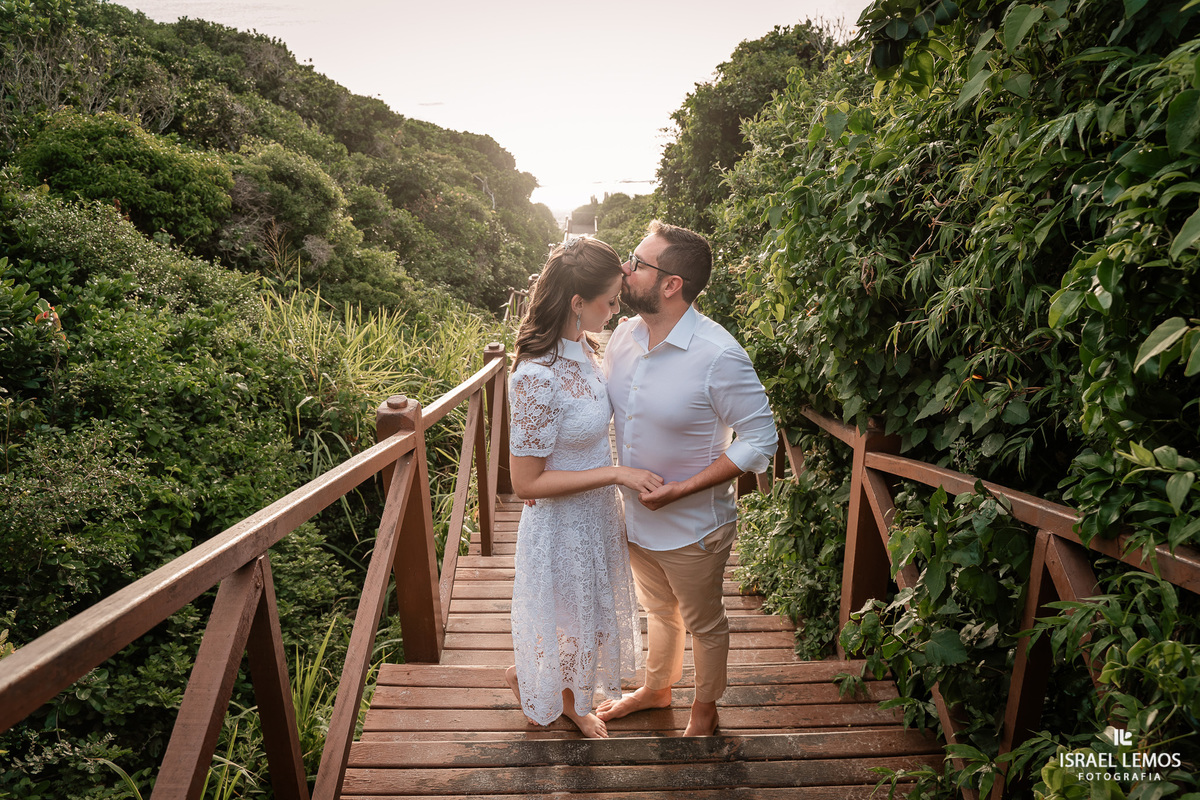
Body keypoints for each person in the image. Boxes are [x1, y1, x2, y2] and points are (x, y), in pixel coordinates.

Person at [597, 220, 778, 737]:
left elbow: (760, 438)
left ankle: (705, 709)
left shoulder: (719, 355)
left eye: (637, 262)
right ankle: (657, 690)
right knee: (659, 610)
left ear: (671, 283)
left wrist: (682, 489)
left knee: (704, 623)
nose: (625, 270)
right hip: (634, 519)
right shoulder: (625, 335)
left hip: (695, 527)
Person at [504, 236, 662, 738]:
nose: (617, 310)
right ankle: (566, 702)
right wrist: (617, 473)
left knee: (585, 613)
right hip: (560, 521)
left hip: (595, 513)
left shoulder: (585, 350)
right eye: (610, 301)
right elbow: (524, 479)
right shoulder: (535, 376)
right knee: (571, 617)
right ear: (577, 303)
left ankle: (534, 680)